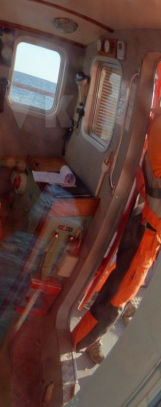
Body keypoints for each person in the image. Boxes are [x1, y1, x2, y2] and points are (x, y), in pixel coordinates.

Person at [72, 112, 161, 363]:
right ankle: (79, 342)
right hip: (148, 231)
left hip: (145, 220)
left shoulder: (157, 123)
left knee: (120, 275)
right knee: (118, 296)